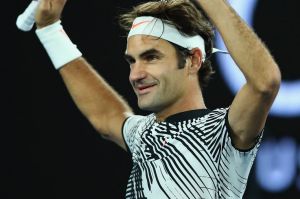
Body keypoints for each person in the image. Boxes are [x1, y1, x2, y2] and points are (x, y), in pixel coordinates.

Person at [32, 0, 281, 198]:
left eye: (151, 57)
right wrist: (50, 30)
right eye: (132, 60)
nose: (135, 74)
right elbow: (105, 116)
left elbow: (264, 83)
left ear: (193, 60)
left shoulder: (223, 130)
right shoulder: (143, 133)